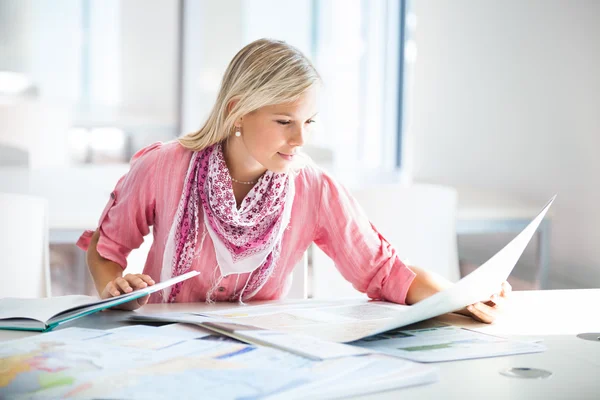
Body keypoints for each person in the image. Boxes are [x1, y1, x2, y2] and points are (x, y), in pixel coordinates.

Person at [77, 38, 511, 323]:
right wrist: (114, 286)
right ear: (237, 111)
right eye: (285, 120)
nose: (301, 138)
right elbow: (107, 247)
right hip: (162, 349)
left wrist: (459, 296)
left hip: (263, 361)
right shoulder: (163, 167)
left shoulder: (313, 187)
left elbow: (383, 271)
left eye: (309, 121)